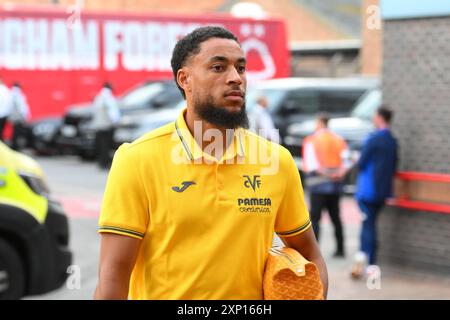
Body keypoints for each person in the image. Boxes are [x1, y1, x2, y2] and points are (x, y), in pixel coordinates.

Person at [94, 26, 328, 300]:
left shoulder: (276, 161)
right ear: (185, 79)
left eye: (241, 69)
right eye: (218, 68)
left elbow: (310, 254)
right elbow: (113, 276)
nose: (235, 78)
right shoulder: (137, 159)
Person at [351, 106, 398, 278]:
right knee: (371, 225)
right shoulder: (392, 140)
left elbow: (362, 162)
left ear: (379, 118)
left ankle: (369, 264)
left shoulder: (373, 139)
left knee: (368, 227)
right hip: (384, 192)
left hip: (368, 192)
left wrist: (355, 159)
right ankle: (366, 263)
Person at [302, 113, 352, 258]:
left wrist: (326, 174)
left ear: (320, 123)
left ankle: (314, 251)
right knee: (336, 217)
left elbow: (312, 164)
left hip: (318, 186)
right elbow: (347, 162)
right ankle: (340, 249)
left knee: (315, 219)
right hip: (335, 187)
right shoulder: (339, 140)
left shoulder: (311, 140)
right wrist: (338, 174)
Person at [91, 82, 120, 169]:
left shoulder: (98, 97)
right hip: (107, 126)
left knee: (100, 145)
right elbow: (113, 113)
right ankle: (105, 164)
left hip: (98, 126)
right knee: (106, 146)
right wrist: (116, 122)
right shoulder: (109, 98)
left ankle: (101, 163)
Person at [7, 82, 31, 150]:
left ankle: (14, 145)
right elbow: (22, 107)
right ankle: (15, 146)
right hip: (18, 117)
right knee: (17, 132)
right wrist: (25, 116)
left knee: (15, 132)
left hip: (13, 117)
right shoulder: (18, 95)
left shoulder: (10, 94)